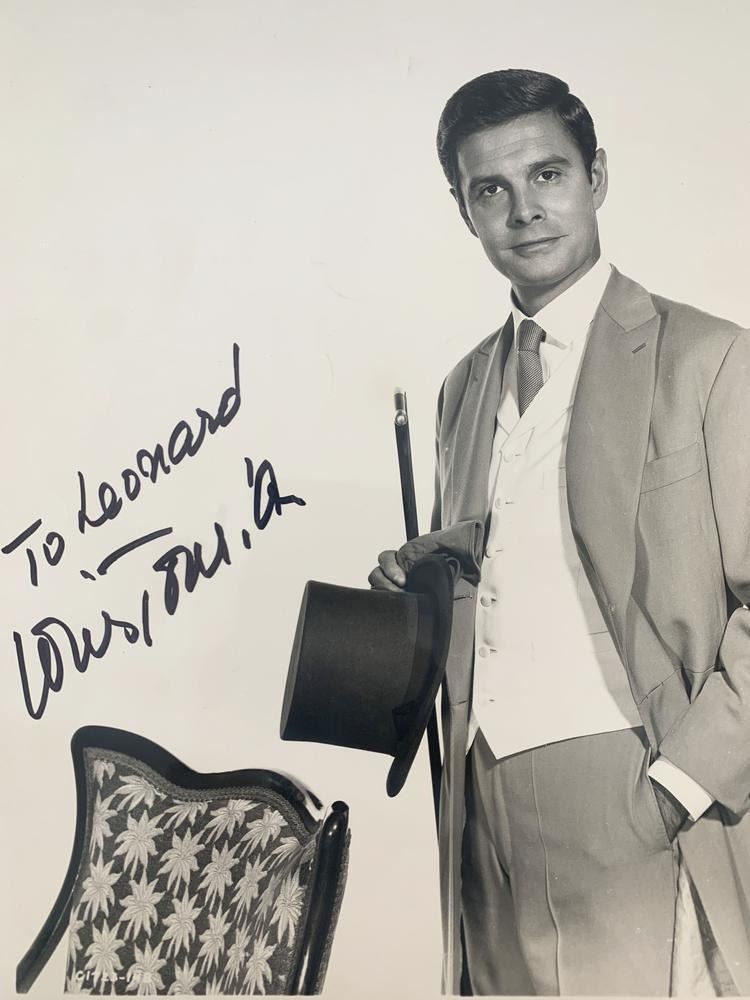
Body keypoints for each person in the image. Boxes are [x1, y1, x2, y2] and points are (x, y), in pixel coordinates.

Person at [368, 69, 750, 996]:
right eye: (490, 190)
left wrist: (681, 785)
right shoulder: (463, 388)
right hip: (482, 807)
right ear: (464, 211)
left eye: (548, 175)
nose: (524, 211)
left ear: (597, 177)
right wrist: (424, 582)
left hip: (637, 788)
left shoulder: (708, 357)